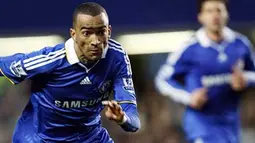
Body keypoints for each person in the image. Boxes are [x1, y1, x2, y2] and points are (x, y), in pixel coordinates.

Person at [0, 2, 140, 143]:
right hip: (40, 138)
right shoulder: (49, 60)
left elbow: (133, 121)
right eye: (87, 33)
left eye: (100, 32)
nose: (95, 41)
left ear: (109, 31)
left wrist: (122, 119)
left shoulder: (116, 57)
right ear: (74, 34)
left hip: (89, 137)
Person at [155, 0, 255, 142]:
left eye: (219, 10)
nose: (215, 15)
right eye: (209, 11)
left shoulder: (240, 44)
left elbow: (253, 74)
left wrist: (246, 79)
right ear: (200, 16)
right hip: (201, 124)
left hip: (231, 124)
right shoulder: (189, 48)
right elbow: (162, 80)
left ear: (227, 14)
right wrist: (188, 97)